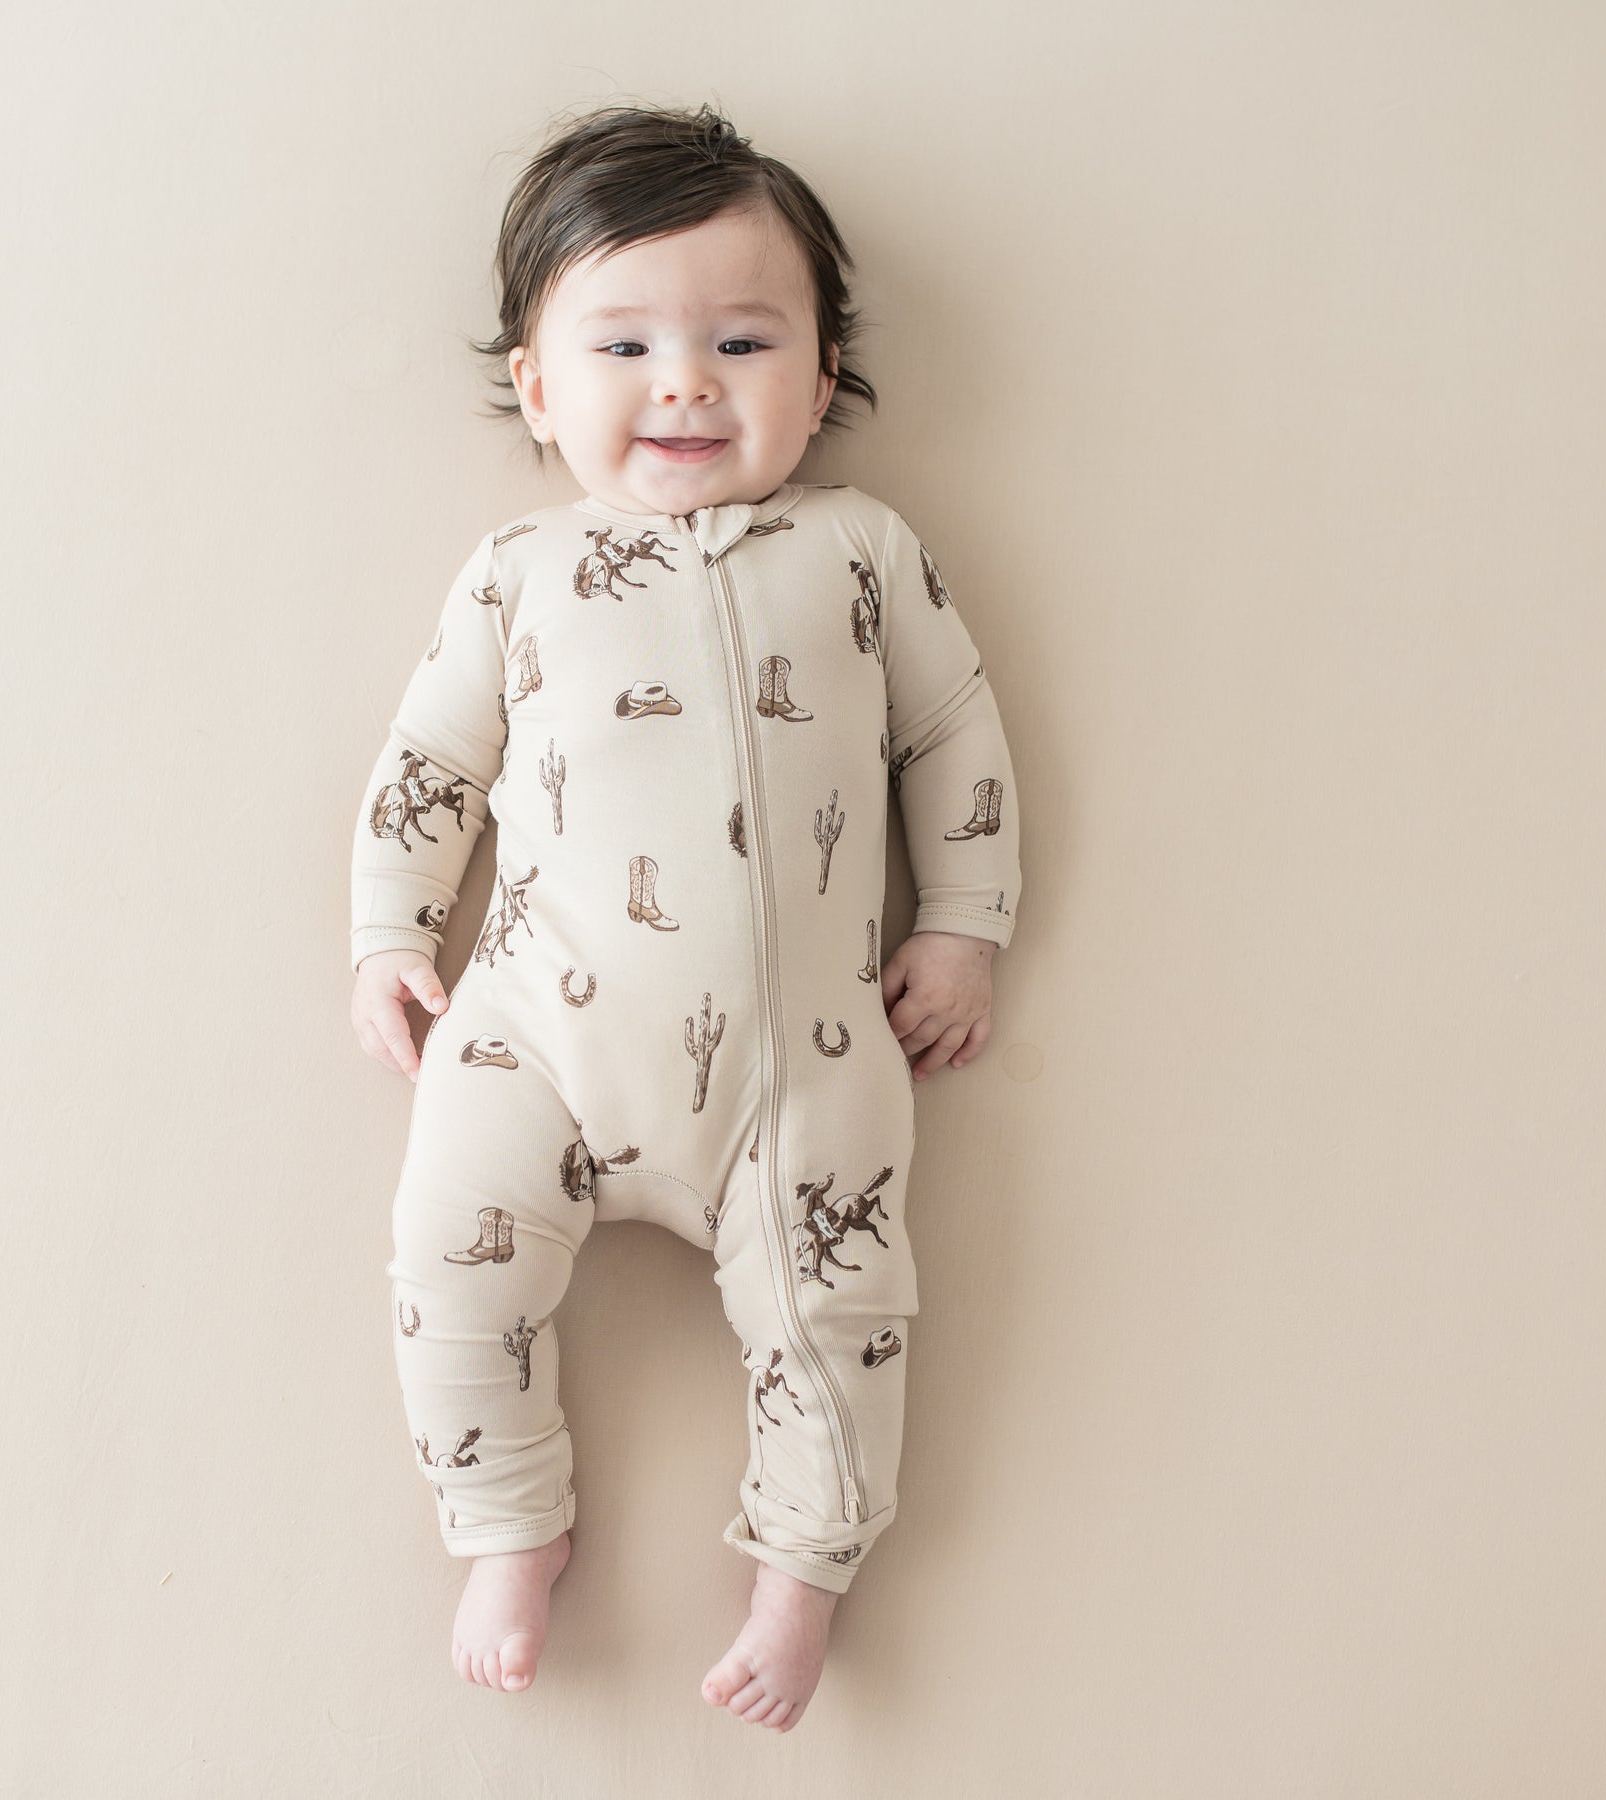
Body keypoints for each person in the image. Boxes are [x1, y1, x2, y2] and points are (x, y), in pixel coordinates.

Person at [348, 100, 1021, 1732]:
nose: (686, 383)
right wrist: (390, 931)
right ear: (539, 386)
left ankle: (803, 1573)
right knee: (445, 1252)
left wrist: (963, 924)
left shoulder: (862, 553)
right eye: (626, 343)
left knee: (843, 1315)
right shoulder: (518, 569)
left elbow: (954, 735)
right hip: (537, 1035)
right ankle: (507, 1519)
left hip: (801, 1060)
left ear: (823, 370)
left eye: (741, 340)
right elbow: (431, 760)